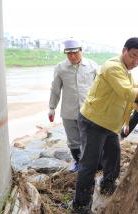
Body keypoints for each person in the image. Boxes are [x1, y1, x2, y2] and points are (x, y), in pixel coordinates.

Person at [70, 37, 138, 213]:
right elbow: (127, 92)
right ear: (124, 50)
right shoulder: (113, 67)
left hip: (110, 126)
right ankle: (80, 205)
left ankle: (108, 186)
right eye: (133, 56)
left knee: (114, 155)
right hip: (94, 122)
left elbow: (134, 89)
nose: (136, 61)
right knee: (89, 164)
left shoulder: (126, 71)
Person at [48, 38, 98, 172]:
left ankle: (90, 163)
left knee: (89, 139)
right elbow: (55, 89)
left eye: (75, 53)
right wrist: (52, 108)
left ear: (81, 51)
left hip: (89, 111)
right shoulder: (61, 68)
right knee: (73, 140)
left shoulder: (93, 66)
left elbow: (100, 89)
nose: (72, 56)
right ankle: (78, 163)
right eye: (69, 54)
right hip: (69, 111)